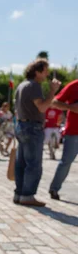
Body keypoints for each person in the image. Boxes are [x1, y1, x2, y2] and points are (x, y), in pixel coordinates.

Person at [13, 58, 66, 206]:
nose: (47, 74)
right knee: (33, 164)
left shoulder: (22, 85)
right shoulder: (34, 86)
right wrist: (52, 92)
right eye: (45, 71)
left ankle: (19, 194)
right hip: (32, 127)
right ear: (37, 72)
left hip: (22, 126)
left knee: (21, 163)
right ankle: (28, 195)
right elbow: (42, 108)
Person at [49, 80, 78, 200]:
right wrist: (70, 107)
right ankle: (54, 189)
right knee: (66, 162)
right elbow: (54, 102)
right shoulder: (74, 86)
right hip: (74, 132)